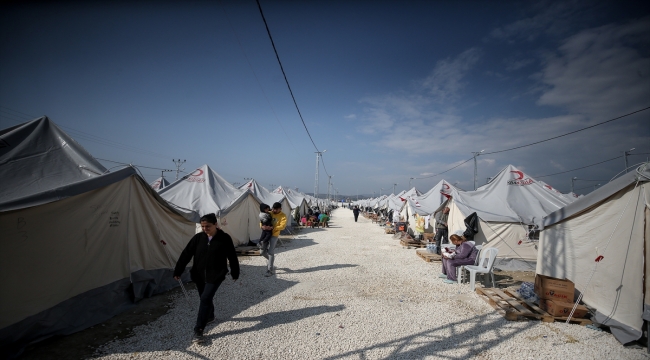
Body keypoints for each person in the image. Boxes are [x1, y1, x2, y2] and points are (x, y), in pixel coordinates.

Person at [173, 213, 239, 344]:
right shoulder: (198, 238)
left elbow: (232, 255)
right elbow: (186, 254)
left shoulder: (225, 238)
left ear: (215, 224)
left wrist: (235, 272)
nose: (205, 229)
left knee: (205, 298)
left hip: (216, 274)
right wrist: (178, 270)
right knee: (204, 297)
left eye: (207, 226)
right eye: (202, 226)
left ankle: (199, 330)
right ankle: (210, 315)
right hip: (198, 274)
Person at [260, 202, 287, 277]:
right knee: (262, 252)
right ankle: (270, 261)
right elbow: (262, 220)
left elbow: (283, 226)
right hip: (265, 234)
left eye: (276, 209)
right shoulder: (269, 213)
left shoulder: (283, 216)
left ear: (280, 209)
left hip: (274, 235)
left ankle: (270, 270)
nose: (274, 210)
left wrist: (273, 228)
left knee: (270, 252)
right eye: (273, 209)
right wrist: (262, 227)